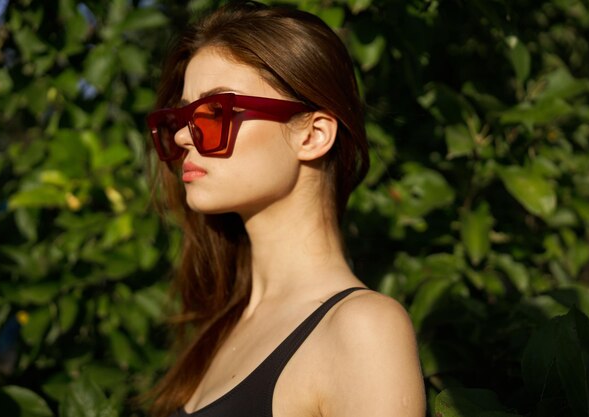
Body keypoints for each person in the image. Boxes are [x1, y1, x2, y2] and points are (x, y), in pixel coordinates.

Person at [145, 2, 425, 416]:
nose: (184, 136)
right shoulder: (218, 329)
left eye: (214, 113)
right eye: (180, 116)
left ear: (312, 136)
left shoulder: (364, 329)